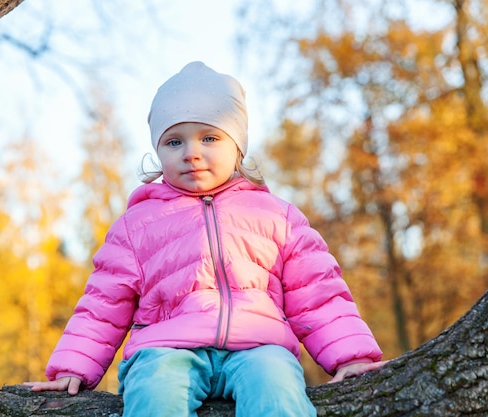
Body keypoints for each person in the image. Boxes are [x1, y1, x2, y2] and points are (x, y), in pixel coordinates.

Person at [24, 61, 386, 416]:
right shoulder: (136, 226)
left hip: (259, 346)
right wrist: (73, 368)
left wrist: (352, 356)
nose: (191, 152)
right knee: (154, 394)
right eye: (174, 141)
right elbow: (102, 304)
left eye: (209, 137)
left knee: (276, 391)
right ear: (158, 151)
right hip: (166, 348)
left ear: (237, 146)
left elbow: (318, 294)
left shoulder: (278, 217)